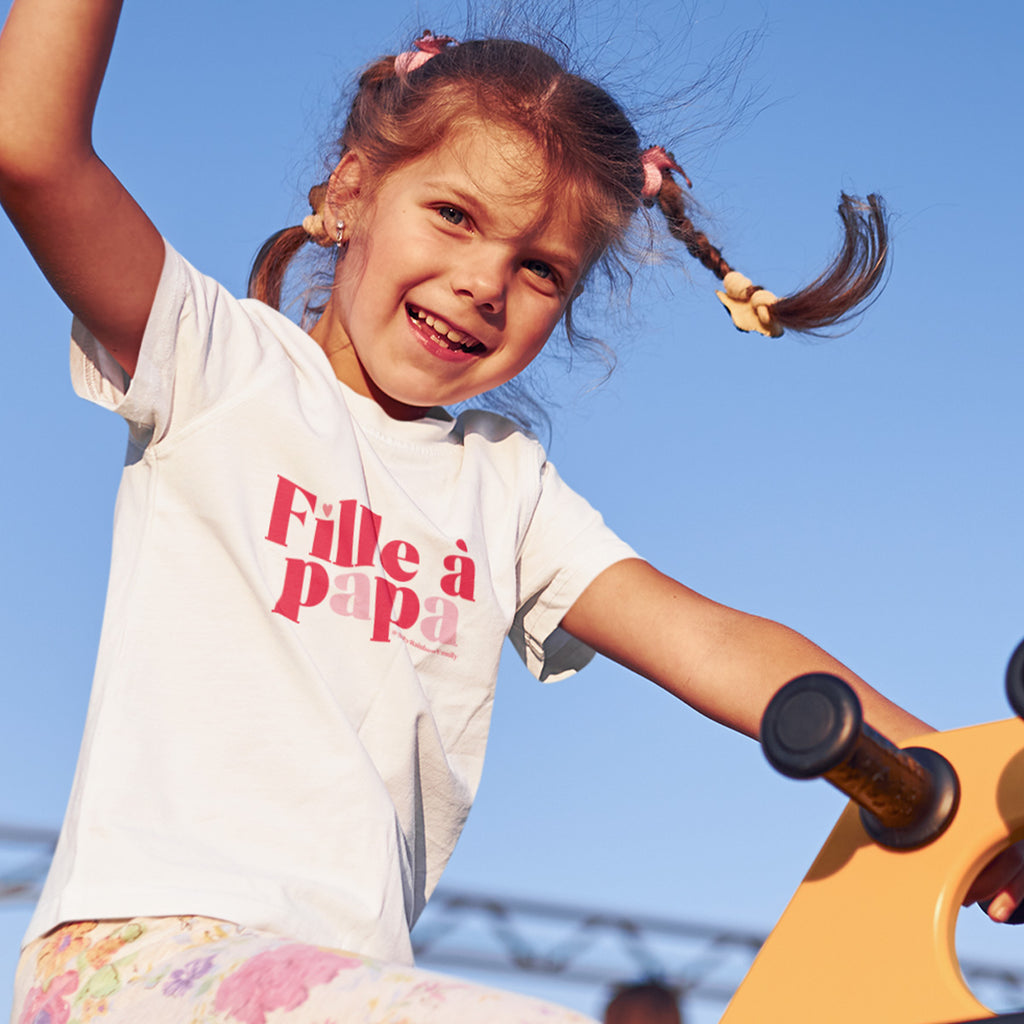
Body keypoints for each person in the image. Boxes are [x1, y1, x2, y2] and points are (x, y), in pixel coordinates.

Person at [1, 3, 1021, 1022]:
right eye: (453, 215)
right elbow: (31, 147)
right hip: (141, 957)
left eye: (540, 270)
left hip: (338, 978)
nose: (485, 281)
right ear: (352, 191)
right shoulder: (222, 367)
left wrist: (962, 785)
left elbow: (715, 642)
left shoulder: (501, 486)